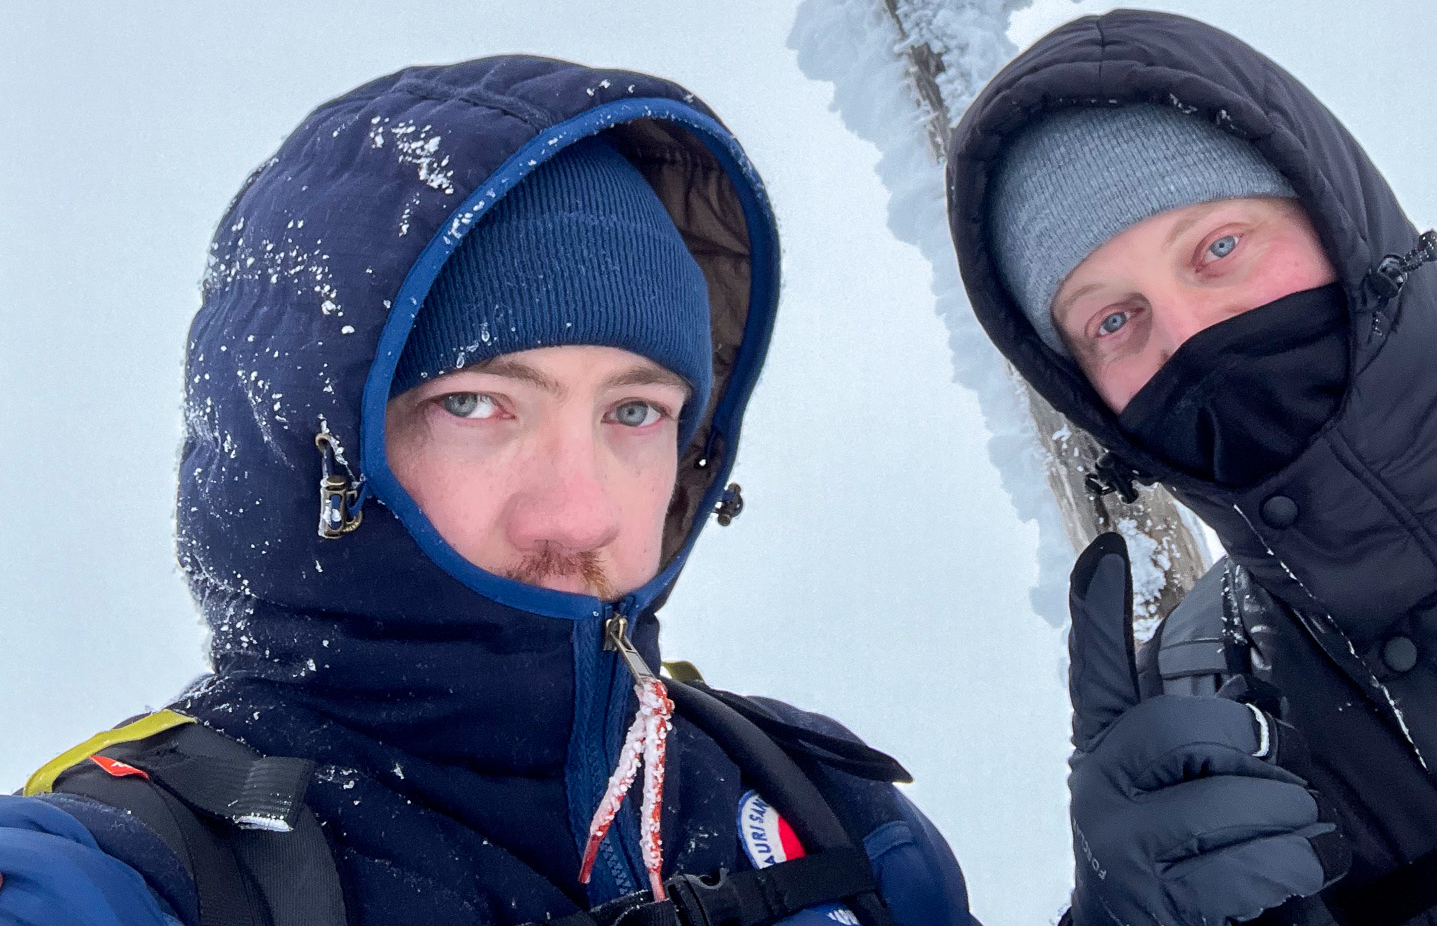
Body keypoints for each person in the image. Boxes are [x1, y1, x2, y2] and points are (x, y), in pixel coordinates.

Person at [2, 54, 978, 926]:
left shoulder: (828, 815)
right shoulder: (155, 859)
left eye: (634, 411)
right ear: (315, 446)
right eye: (477, 403)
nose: (580, 509)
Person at [947, 8, 1437, 926]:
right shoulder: (1198, 697)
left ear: (1339, 221)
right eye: (1113, 321)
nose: (1187, 334)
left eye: (1218, 248)